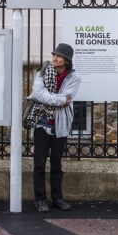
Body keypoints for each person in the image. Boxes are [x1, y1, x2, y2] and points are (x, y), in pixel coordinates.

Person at [26, 43, 81, 213]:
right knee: (39, 165)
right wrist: (59, 101)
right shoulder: (43, 71)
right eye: (54, 55)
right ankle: (40, 199)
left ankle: (57, 198)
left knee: (56, 164)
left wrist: (52, 98)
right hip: (42, 125)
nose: (55, 58)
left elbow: (67, 97)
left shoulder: (74, 77)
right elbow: (37, 94)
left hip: (60, 126)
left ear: (67, 60)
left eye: (59, 56)